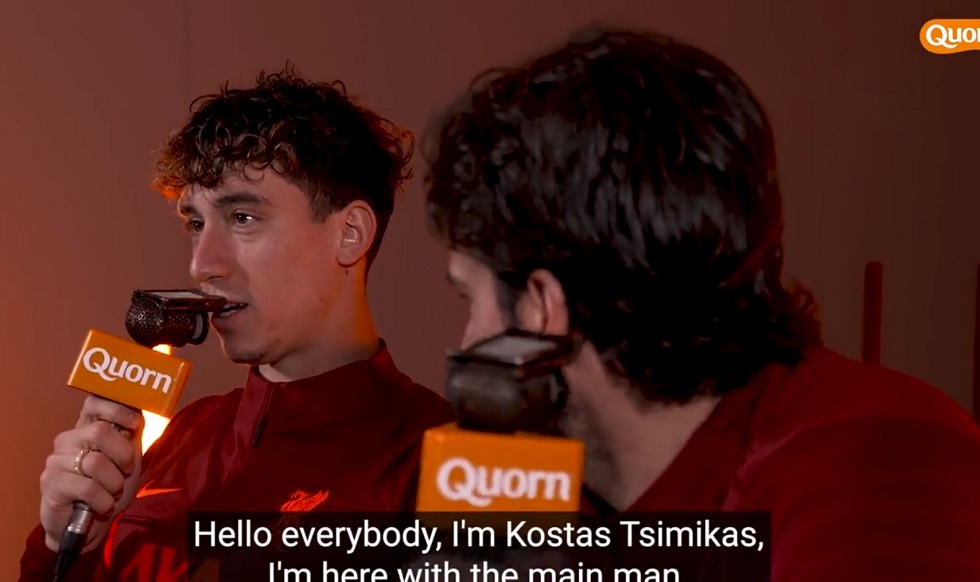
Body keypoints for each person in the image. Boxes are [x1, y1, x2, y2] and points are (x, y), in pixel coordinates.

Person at [422, 27, 980, 580]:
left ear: (542, 310)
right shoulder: (552, 505)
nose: (468, 340)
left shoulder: (877, 472)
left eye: (471, 299)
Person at [19, 66, 454, 581]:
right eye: (196, 223)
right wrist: (68, 546)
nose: (202, 264)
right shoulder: (178, 440)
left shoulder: (446, 470)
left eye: (243, 218)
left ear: (350, 234)